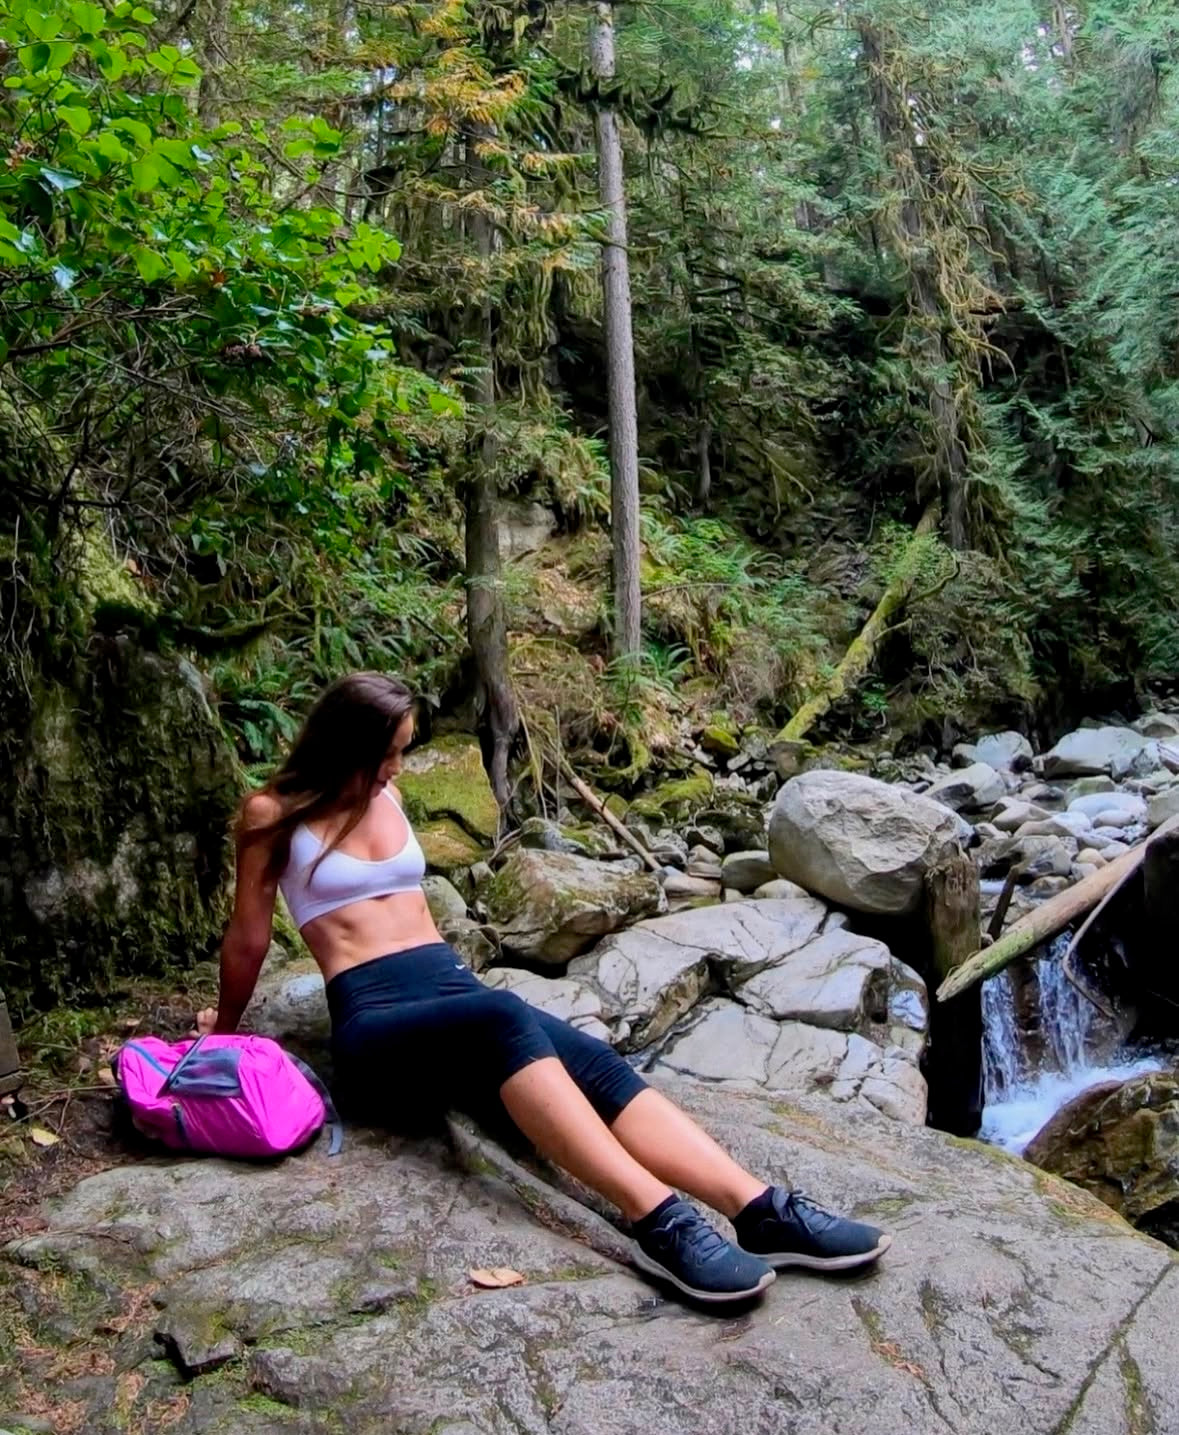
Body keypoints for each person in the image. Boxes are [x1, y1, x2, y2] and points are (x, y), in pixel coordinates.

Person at [198, 672, 890, 1305]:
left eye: (403, 750)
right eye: (388, 752)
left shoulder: (390, 794)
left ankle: (758, 1208)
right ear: (346, 742)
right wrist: (223, 1032)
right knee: (501, 1013)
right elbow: (248, 937)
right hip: (374, 1021)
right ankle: (661, 1220)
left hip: (447, 991)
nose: (397, 767)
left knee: (591, 1060)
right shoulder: (272, 813)